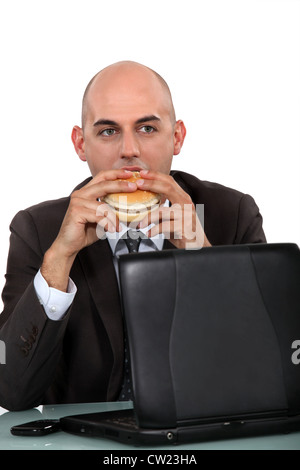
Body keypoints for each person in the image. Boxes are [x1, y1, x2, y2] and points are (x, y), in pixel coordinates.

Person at [0, 61, 266, 411]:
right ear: (81, 144)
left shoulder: (230, 215)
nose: (129, 150)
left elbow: (266, 371)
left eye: (147, 128)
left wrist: (203, 259)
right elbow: (12, 392)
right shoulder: (39, 229)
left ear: (177, 137)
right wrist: (58, 261)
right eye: (108, 131)